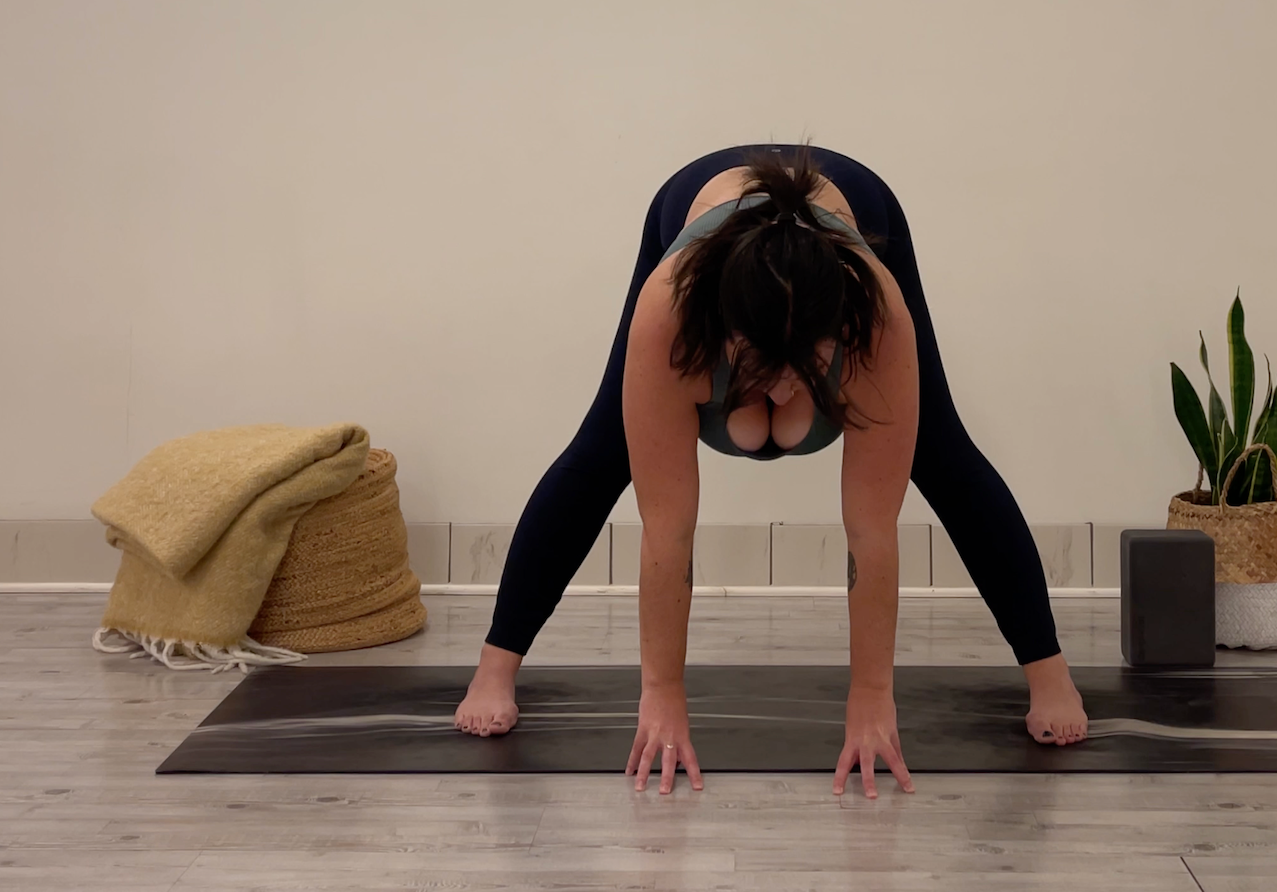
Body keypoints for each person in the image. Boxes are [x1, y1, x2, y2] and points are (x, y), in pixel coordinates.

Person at [451, 142, 1088, 797]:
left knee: (943, 452)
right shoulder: (670, 313)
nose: (782, 388)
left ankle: (1049, 672)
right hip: (699, 218)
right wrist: (662, 693)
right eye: (761, 368)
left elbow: (872, 529)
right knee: (601, 452)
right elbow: (667, 529)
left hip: (855, 212)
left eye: (801, 368)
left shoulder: (877, 315)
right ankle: (494, 666)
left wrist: (872, 696)